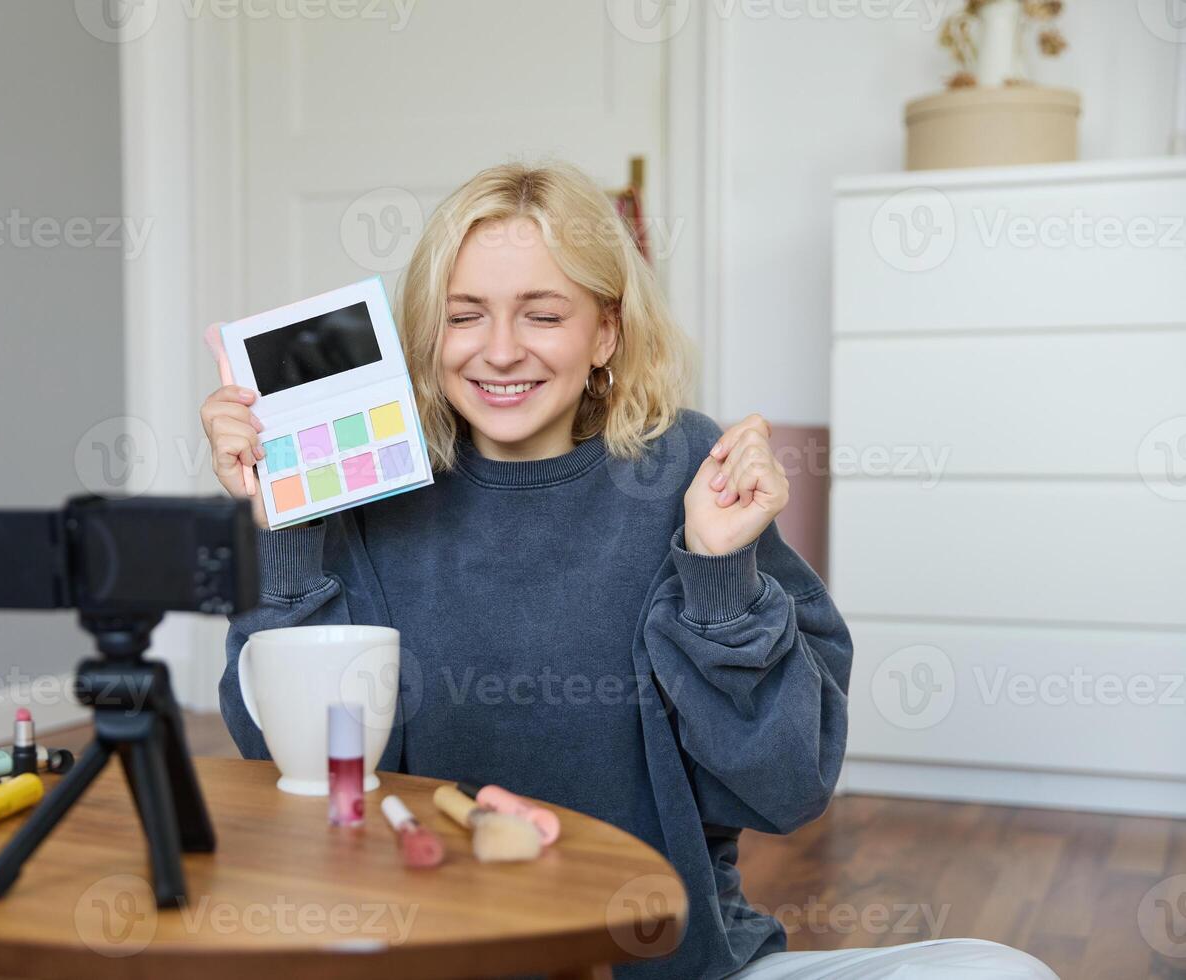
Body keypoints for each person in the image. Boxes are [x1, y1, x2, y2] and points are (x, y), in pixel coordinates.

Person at [200, 161, 1058, 979]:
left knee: (1004, 970)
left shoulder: (685, 464)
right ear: (427, 333)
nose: (500, 351)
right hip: (430, 955)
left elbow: (787, 787)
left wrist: (721, 576)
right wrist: (283, 533)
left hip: (666, 965)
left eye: (542, 314)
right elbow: (289, 765)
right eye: (465, 316)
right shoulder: (364, 491)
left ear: (606, 330)